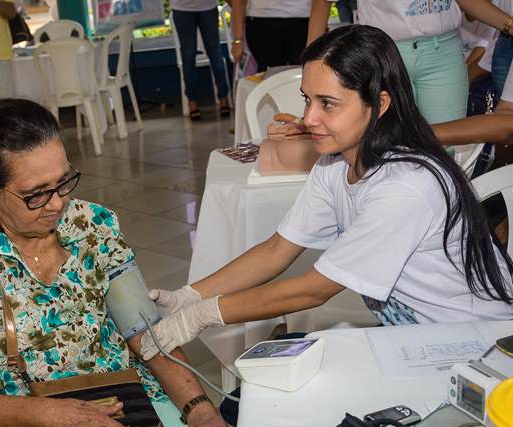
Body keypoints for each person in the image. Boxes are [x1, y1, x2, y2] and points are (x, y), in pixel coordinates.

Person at [139, 25, 513, 364]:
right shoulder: (336, 162)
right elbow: (276, 251)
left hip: (477, 346)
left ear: (379, 105)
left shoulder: (404, 185)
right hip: (416, 336)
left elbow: (313, 291)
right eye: (307, 99)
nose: (309, 118)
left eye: (328, 104)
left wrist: (203, 315)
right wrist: (189, 296)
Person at [0, 99, 225, 427]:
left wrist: (201, 411)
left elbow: (146, 333)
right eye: (37, 193)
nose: (58, 203)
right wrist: (49, 415)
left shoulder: (92, 224)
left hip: (120, 396)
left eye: (63, 181)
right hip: (19, 413)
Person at [308, 0, 513, 124]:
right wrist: (312, 62)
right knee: (386, 144)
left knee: (447, 147)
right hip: (383, 55)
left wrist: (510, 24)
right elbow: (322, 3)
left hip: (443, 55)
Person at [171, 0, 231, 121]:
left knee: (215, 54)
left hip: (208, 7)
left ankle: (223, 97)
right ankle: (192, 101)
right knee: (188, 56)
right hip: (182, 8)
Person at [230, 0, 313, 73]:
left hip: (305, 21)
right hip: (261, 22)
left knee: (301, 76)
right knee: (267, 78)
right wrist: (238, 39)